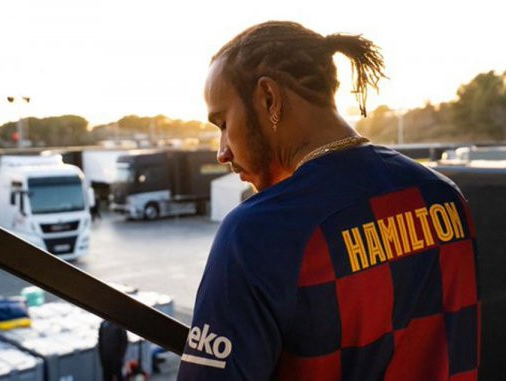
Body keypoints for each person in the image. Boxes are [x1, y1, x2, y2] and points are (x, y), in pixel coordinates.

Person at [178, 21, 479, 380]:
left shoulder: (257, 233)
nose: (222, 152)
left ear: (269, 98)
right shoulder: (443, 196)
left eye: (223, 123)